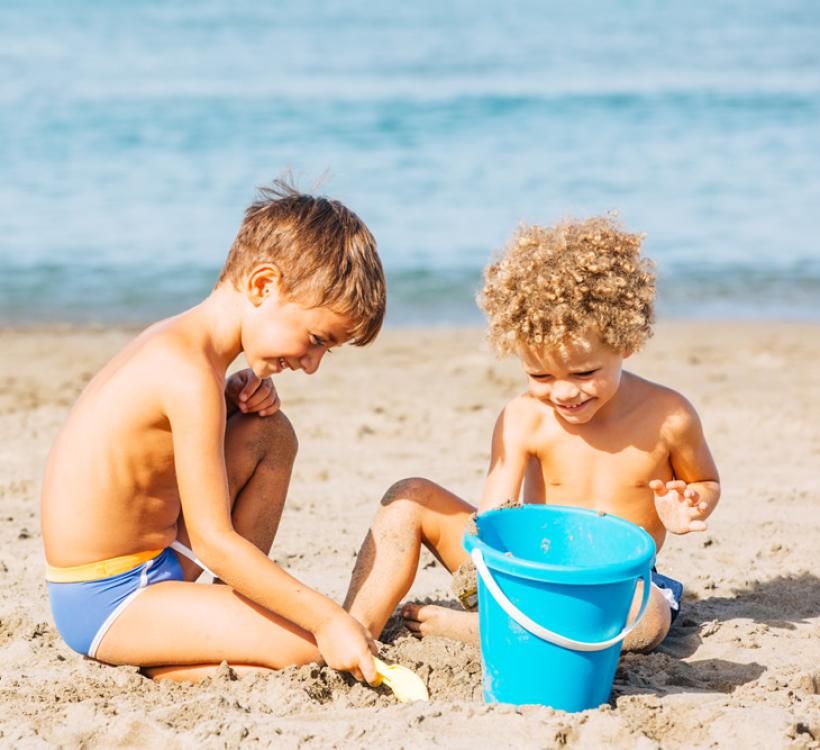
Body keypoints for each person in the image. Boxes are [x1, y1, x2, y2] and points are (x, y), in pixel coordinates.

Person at [41, 180, 386, 683]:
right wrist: (328, 618)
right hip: (109, 599)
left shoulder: (192, 355)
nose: (311, 364)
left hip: (157, 560)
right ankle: (175, 663)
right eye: (315, 340)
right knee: (314, 649)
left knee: (270, 434)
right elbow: (214, 541)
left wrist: (228, 400)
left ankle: (232, 607)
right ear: (263, 285)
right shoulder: (185, 372)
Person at [343, 216, 720, 652]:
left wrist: (689, 506)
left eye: (584, 372)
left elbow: (704, 482)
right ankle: (353, 630)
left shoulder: (669, 416)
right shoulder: (525, 416)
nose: (563, 392)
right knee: (408, 498)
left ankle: (476, 628)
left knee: (648, 621)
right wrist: (495, 557)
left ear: (625, 343)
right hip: (522, 567)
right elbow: (493, 517)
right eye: (539, 373)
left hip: (613, 583)